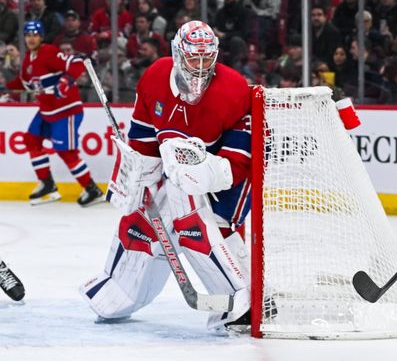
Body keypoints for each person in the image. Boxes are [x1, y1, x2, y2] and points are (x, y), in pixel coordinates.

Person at [80, 20, 255, 332]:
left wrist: (206, 173)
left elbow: (240, 160)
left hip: (222, 174)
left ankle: (239, 302)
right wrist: (138, 176)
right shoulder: (156, 76)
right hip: (173, 172)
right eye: (193, 58)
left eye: (207, 58)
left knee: (198, 226)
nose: (201, 66)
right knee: (140, 224)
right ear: (178, 54)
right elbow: (144, 139)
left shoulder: (233, 88)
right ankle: (117, 293)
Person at [5, 20, 103, 206]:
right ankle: (47, 184)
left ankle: (92, 190)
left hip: (66, 111)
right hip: (47, 111)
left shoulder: (49, 52)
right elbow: (24, 83)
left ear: (41, 37)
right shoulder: (28, 60)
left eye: (35, 34)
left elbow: (76, 63)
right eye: (28, 35)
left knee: (66, 152)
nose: (31, 38)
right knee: (31, 140)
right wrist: (4, 89)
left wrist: (65, 81)